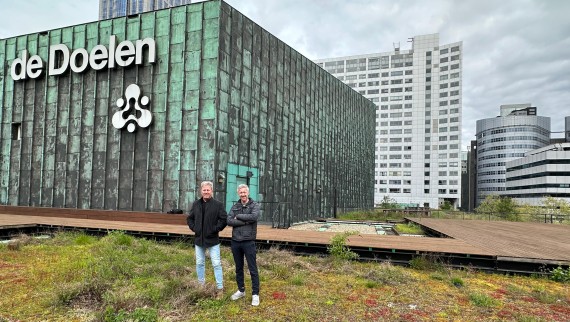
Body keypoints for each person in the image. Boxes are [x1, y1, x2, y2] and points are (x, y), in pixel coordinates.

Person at [187, 181, 227, 298]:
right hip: (199, 240)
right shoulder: (196, 204)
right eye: (204, 190)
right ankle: (201, 286)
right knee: (199, 263)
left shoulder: (218, 205)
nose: (206, 192)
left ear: (212, 191)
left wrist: (214, 229)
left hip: (213, 240)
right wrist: (195, 228)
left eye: (208, 190)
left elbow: (223, 220)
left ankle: (220, 288)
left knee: (216, 264)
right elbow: (190, 219)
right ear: (201, 191)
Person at [226, 184, 261, 306]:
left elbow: (254, 216)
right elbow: (229, 220)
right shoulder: (235, 206)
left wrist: (239, 217)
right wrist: (245, 222)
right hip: (236, 241)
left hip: (248, 241)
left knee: (253, 268)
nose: (243, 194)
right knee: (238, 268)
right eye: (241, 192)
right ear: (238, 193)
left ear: (248, 193)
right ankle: (241, 290)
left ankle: (255, 294)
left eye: (244, 192)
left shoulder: (254, 205)